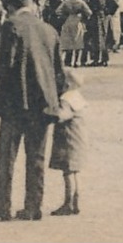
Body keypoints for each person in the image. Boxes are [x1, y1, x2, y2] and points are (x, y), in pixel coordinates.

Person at [0, 0, 64, 223]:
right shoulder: (49, 29)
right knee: (37, 157)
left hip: (15, 103)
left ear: (11, 8)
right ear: (32, 5)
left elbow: (5, 65)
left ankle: (0, 206)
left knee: (5, 156)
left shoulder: (11, 25)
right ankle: (33, 208)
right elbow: (59, 73)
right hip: (43, 104)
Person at [49, 67, 88, 216]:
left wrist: (51, 112)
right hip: (79, 138)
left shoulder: (66, 99)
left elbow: (62, 115)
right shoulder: (77, 96)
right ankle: (77, 201)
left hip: (68, 140)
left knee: (68, 172)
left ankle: (68, 202)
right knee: (75, 171)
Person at [56, 0, 91, 67]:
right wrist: (82, 17)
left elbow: (58, 11)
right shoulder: (81, 2)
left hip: (68, 21)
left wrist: (65, 16)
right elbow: (89, 12)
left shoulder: (66, 2)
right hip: (78, 21)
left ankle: (67, 61)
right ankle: (76, 61)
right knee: (78, 41)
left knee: (68, 41)